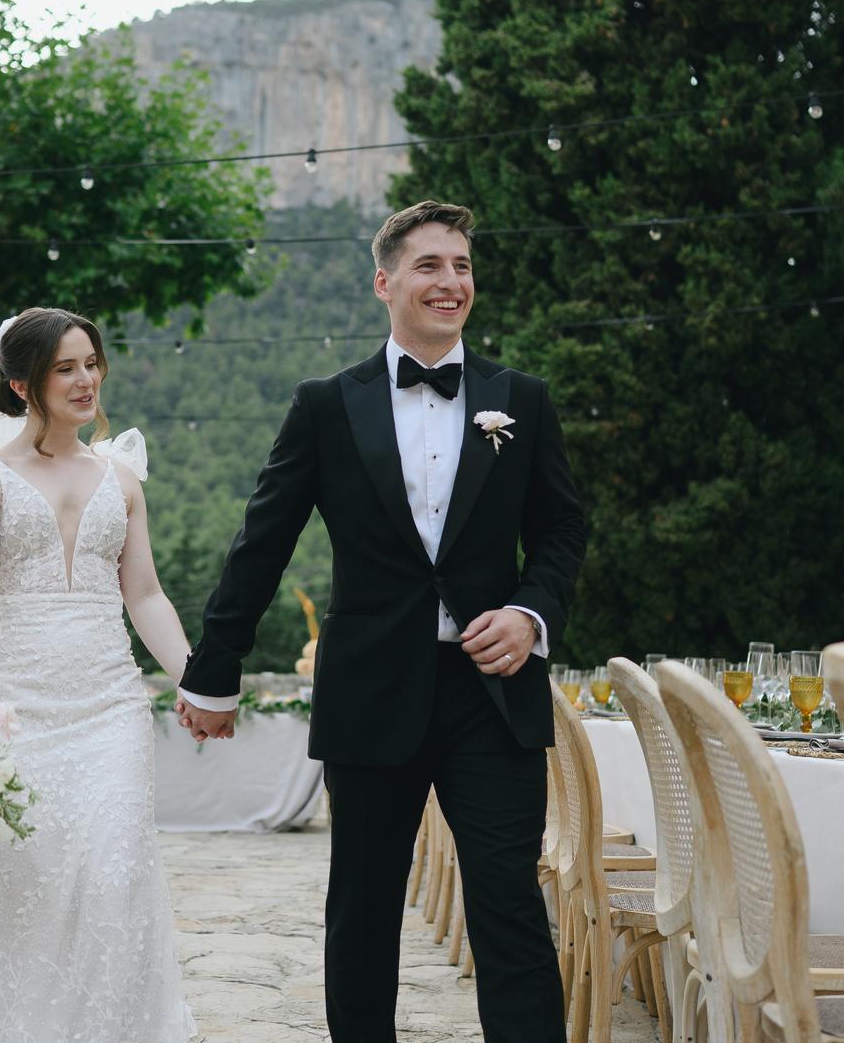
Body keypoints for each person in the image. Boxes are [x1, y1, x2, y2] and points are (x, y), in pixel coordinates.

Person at [176, 201, 587, 1043]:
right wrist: (214, 671)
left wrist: (529, 613)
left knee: (510, 906)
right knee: (362, 912)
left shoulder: (523, 400)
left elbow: (561, 530)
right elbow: (263, 544)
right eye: (429, 265)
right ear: (384, 282)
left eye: (462, 265)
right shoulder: (327, 405)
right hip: (370, 692)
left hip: (492, 695)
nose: (451, 281)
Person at [0, 307, 197, 1042]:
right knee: (26, 885)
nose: (86, 379)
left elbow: (145, 595)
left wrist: (196, 678)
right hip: (14, 707)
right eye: (66, 368)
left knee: (116, 877)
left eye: (92, 363)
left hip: (109, 706)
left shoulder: (122, 478)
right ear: (22, 384)